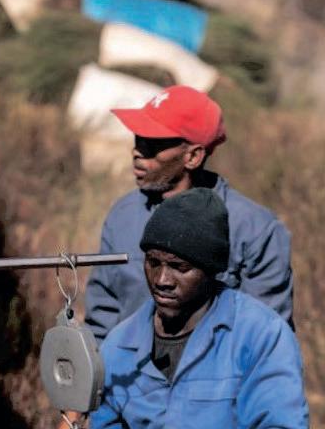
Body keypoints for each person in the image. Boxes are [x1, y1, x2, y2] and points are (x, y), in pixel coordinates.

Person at [89, 188, 311, 429]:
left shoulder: (260, 334)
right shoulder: (120, 343)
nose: (162, 280)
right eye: (153, 262)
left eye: (180, 268)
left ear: (211, 271)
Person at [84, 85, 294, 341]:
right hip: (132, 377)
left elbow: (266, 338)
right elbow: (102, 317)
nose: (137, 152)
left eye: (152, 145)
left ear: (193, 156)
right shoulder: (123, 216)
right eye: (138, 139)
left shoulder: (255, 229)